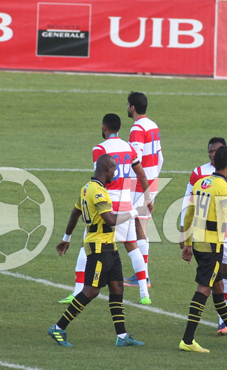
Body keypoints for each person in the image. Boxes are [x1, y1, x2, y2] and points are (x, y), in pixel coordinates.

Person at [48, 154, 146, 348]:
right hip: (99, 249)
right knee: (91, 291)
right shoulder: (98, 192)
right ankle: (58, 328)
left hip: (110, 248)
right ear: (107, 169)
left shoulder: (87, 188)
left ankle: (122, 335)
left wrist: (66, 238)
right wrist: (135, 212)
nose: (116, 173)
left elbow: (75, 212)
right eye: (114, 169)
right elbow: (110, 220)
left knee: (117, 288)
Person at [60, 114, 154, 305]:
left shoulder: (100, 149)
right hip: (126, 203)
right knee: (132, 246)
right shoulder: (128, 147)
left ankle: (77, 291)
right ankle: (144, 294)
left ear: (104, 128)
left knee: (86, 244)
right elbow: (141, 173)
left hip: (105, 204)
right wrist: (147, 198)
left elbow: (100, 176)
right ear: (119, 128)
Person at [180, 137, 227, 335]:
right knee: (204, 289)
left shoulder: (201, 183)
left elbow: (188, 215)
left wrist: (187, 242)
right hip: (211, 245)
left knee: (218, 289)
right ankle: (187, 339)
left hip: (197, 242)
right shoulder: (224, 188)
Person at [124, 91, 162, 291]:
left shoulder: (137, 128)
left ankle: (143, 276)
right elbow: (161, 157)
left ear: (132, 107)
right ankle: (142, 274)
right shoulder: (153, 125)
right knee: (142, 226)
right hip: (151, 180)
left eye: (128, 104)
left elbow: (134, 158)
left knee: (137, 227)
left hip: (139, 183)